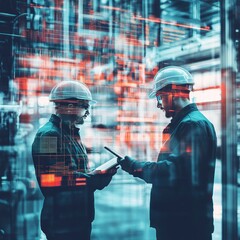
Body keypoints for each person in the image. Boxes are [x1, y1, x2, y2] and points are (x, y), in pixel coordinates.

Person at [118, 66, 217, 240]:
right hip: (183, 220)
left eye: (160, 97)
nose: (159, 104)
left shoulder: (191, 125)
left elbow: (172, 172)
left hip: (182, 224)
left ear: (172, 94)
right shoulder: (188, 123)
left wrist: (134, 166)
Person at [32, 80, 117, 240]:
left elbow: (72, 175)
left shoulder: (69, 134)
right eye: (85, 106)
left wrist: (99, 176)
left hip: (76, 218)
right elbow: (53, 180)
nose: (88, 113)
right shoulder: (50, 136)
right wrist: (94, 178)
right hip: (63, 221)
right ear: (70, 107)